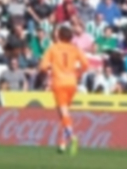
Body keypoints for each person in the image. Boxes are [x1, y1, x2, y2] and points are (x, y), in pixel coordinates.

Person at [38, 25, 89, 155]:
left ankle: (72, 137)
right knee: (64, 114)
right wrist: (77, 74)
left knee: (64, 112)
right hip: (72, 83)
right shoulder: (75, 49)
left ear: (59, 35)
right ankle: (62, 144)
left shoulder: (53, 49)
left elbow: (43, 66)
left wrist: (50, 70)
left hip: (59, 83)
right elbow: (86, 65)